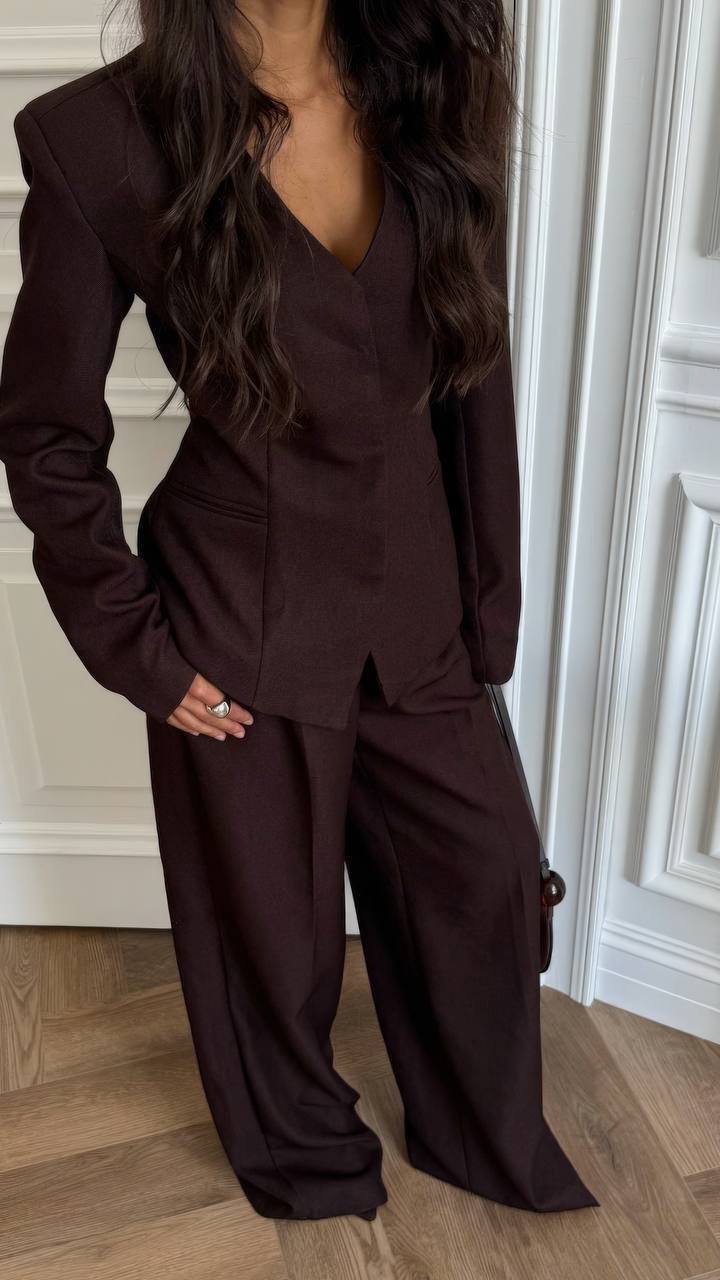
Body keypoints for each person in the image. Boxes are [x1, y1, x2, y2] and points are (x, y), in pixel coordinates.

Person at [0, 0, 600, 1223]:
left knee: (480, 885)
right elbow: (48, 433)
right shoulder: (98, 141)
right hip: (238, 615)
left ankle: (479, 1131)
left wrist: (491, 616)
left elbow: (472, 379)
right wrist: (138, 648)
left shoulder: (430, 88)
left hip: (422, 604)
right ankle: (308, 1164)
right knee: (268, 940)